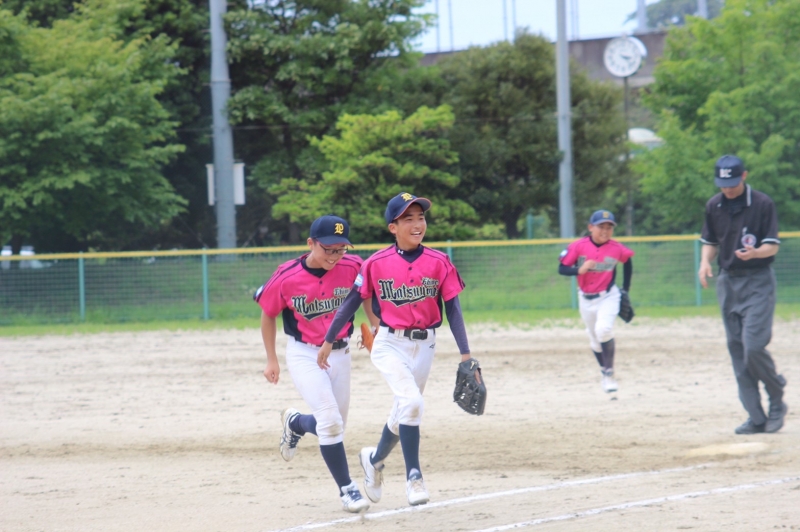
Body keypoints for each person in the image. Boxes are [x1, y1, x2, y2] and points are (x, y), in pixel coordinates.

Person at [316, 192, 472, 507]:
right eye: (408, 218)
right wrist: (329, 339)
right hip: (388, 343)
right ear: (393, 227)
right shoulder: (376, 263)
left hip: (426, 345)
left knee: (405, 411)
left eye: (421, 217)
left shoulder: (439, 261)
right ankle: (414, 477)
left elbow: (453, 309)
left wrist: (466, 354)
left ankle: (373, 460)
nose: (417, 224)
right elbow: (351, 303)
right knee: (412, 403)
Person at [253, 214, 376, 513]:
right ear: (311, 243)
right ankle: (347, 489)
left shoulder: (353, 266)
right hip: (304, 354)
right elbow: (268, 313)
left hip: (340, 354)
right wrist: (271, 359)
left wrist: (375, 325)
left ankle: (295, 423)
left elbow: (366, 294)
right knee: (330, 422)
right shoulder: (287, 275)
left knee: (333, 427)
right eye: (328, 249)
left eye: (340, 249)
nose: (334, 256)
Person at [698, 154, 787, 435]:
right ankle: (756, 416)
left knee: (753, 346)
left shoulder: (762, 203)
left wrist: (755, 253)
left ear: (744, 176)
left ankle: (776, 397)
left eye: (733, 182)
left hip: (758, 280)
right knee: (737, 351)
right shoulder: (714, 205)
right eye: (723, 184)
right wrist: (704, 262)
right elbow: (710, 241)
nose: (727, 188)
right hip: (728, 283)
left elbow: (773, 245)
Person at [558, 209, 634, 393]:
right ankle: (604, 371)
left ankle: (609, 373)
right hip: (585, 298)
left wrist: (625, 289)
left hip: (608, 296)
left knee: (604, 330)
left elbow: (627, 262)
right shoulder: (578, 246)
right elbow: (562, 268)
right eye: (601, 226)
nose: (605, 231)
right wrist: (579, 270)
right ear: (591, 227)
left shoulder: (617, 248)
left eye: (609, 227)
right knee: (594, 340)